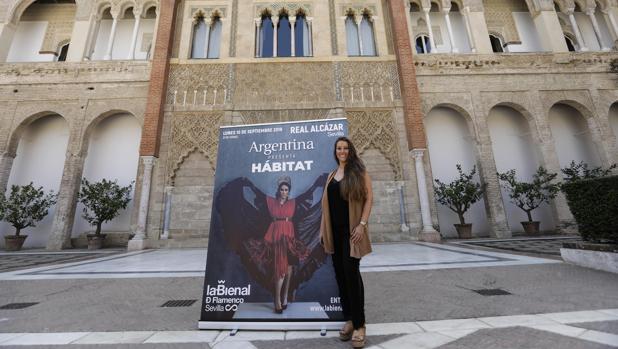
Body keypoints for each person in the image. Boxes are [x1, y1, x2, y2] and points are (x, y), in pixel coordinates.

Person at [320, 137, 373, 349]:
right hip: (334, 232)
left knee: (352, 275)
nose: (342, 151)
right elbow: (326, 207)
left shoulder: (358, 172)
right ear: (335, 152)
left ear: (350, 151)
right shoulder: (332, 175)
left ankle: (360, 325)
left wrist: (362, 224)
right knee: (340, 277)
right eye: (339, 148)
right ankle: (349, 319)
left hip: (352, 233)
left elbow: (369, 198)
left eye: (345, 148)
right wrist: (322, 231)